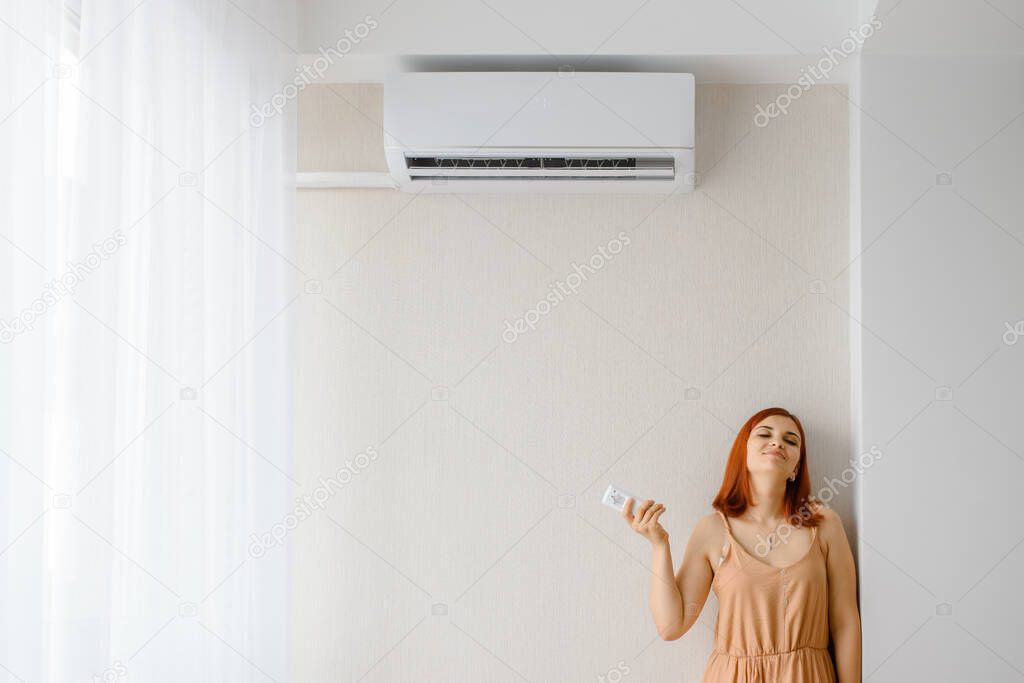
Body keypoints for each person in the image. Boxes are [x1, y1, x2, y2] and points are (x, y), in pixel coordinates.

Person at [623, 407, 861, 682]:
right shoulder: (712, 531)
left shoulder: (824, 524)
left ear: (796, 467)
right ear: (743, 453)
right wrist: (659, 546)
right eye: (764, 434)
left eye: (791, 440)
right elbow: (671, 626)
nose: (777, 442)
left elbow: (845, 624)